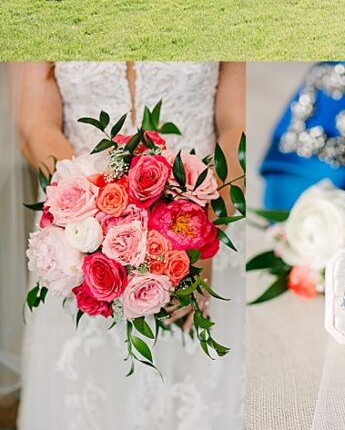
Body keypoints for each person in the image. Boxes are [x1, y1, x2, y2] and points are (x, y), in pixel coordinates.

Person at [15, 62, 246, 430]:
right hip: (79, 242)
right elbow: (35, 126)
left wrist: (202, 235)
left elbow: (237, 123)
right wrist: (90, 222)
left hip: (207, 215)